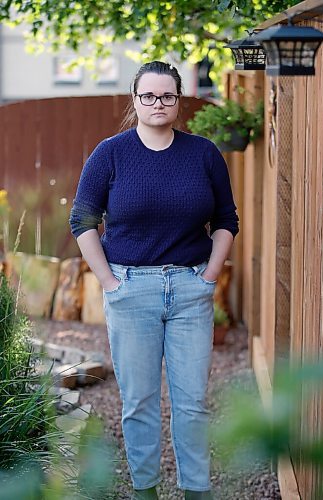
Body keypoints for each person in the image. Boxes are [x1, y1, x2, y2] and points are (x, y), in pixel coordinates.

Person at [69, 61, 239, 500]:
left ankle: (196, 492)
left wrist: (211, 275)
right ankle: (146, 492)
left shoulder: (203, 153)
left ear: (178, 100)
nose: (158, 103)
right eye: (149, 96)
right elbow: (82, 221)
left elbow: (226, 220)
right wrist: (108, 283)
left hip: (189, 291)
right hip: (131, 291)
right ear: (135, 99)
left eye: (167, 96)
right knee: (139, 404)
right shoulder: (110, 153)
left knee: (192, 404)